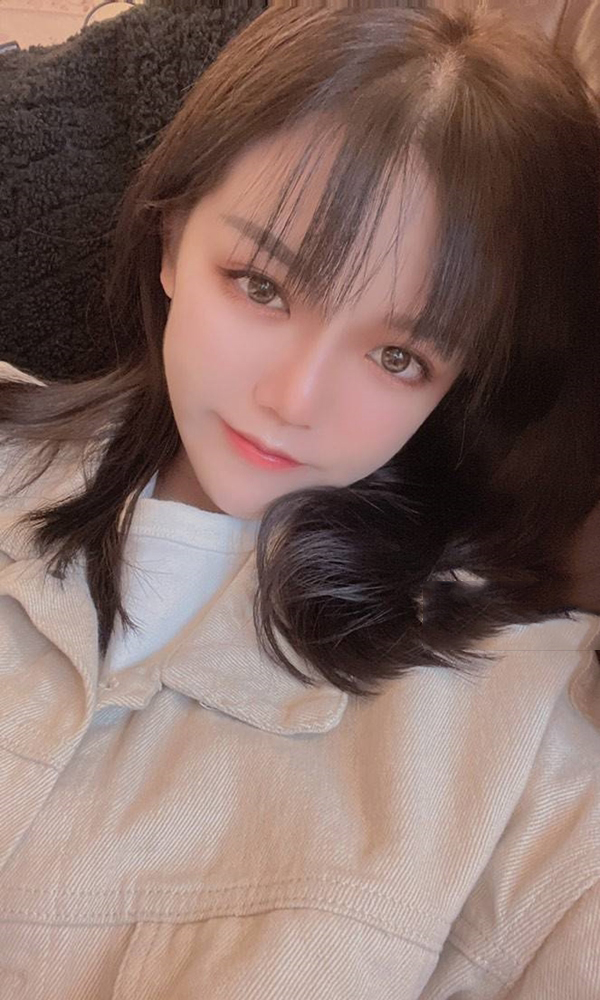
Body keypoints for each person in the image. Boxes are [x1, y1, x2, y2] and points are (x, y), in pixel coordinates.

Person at [0, 5, 599, 996]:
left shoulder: (512, 731)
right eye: (262, 285)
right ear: (170, 236)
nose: (294, 398)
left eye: (399, 356)